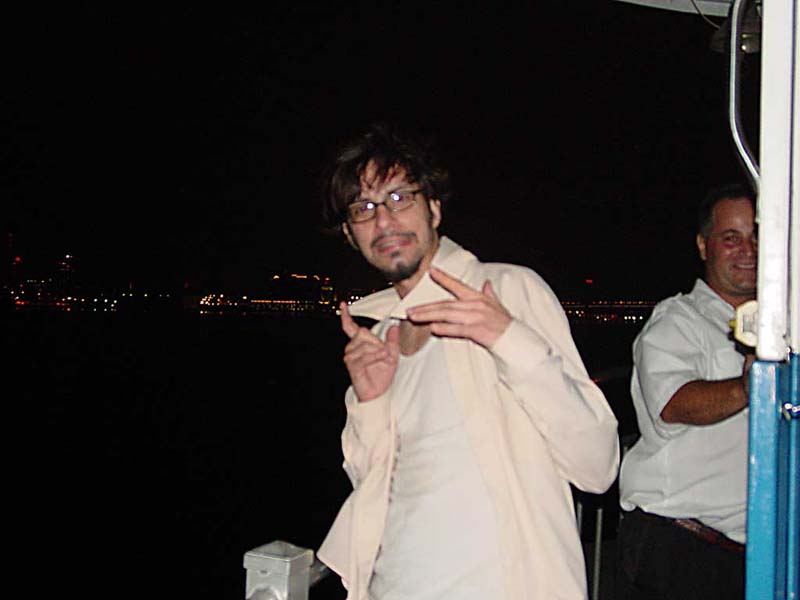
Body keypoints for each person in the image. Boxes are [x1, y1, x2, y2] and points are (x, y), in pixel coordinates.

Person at [316, 122, 619, 600]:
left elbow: (597, 466)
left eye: (399, 198)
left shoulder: (506, 291)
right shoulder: (381, 337)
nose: (384, 221)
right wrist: (370, 402)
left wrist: (507, 338)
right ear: (351, 236)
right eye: (363, 208)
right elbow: (372, 491)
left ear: (434, 208)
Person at [616, 183, 757, 599]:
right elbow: (674, 403)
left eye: (756, 237)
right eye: (731, 238)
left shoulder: (780, 329)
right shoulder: (677, 322)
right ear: (703, 245)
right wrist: (750, 387)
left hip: (754, 554)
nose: (748, 250)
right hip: (683, 549)